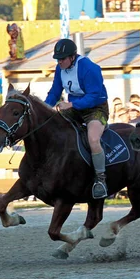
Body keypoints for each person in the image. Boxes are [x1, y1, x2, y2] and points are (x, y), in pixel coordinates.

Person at [45, 38, 110, 199]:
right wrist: (44, 108)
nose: (59, 62)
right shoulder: (60, 69)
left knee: (93, 139)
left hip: (96, 108)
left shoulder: (89, 68)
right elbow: (54, 92)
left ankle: (101, 180)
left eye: (62, 59)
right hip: (74, 107)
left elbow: (94, 97)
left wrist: (72, 105)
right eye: (58, 59)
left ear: (72, 57)